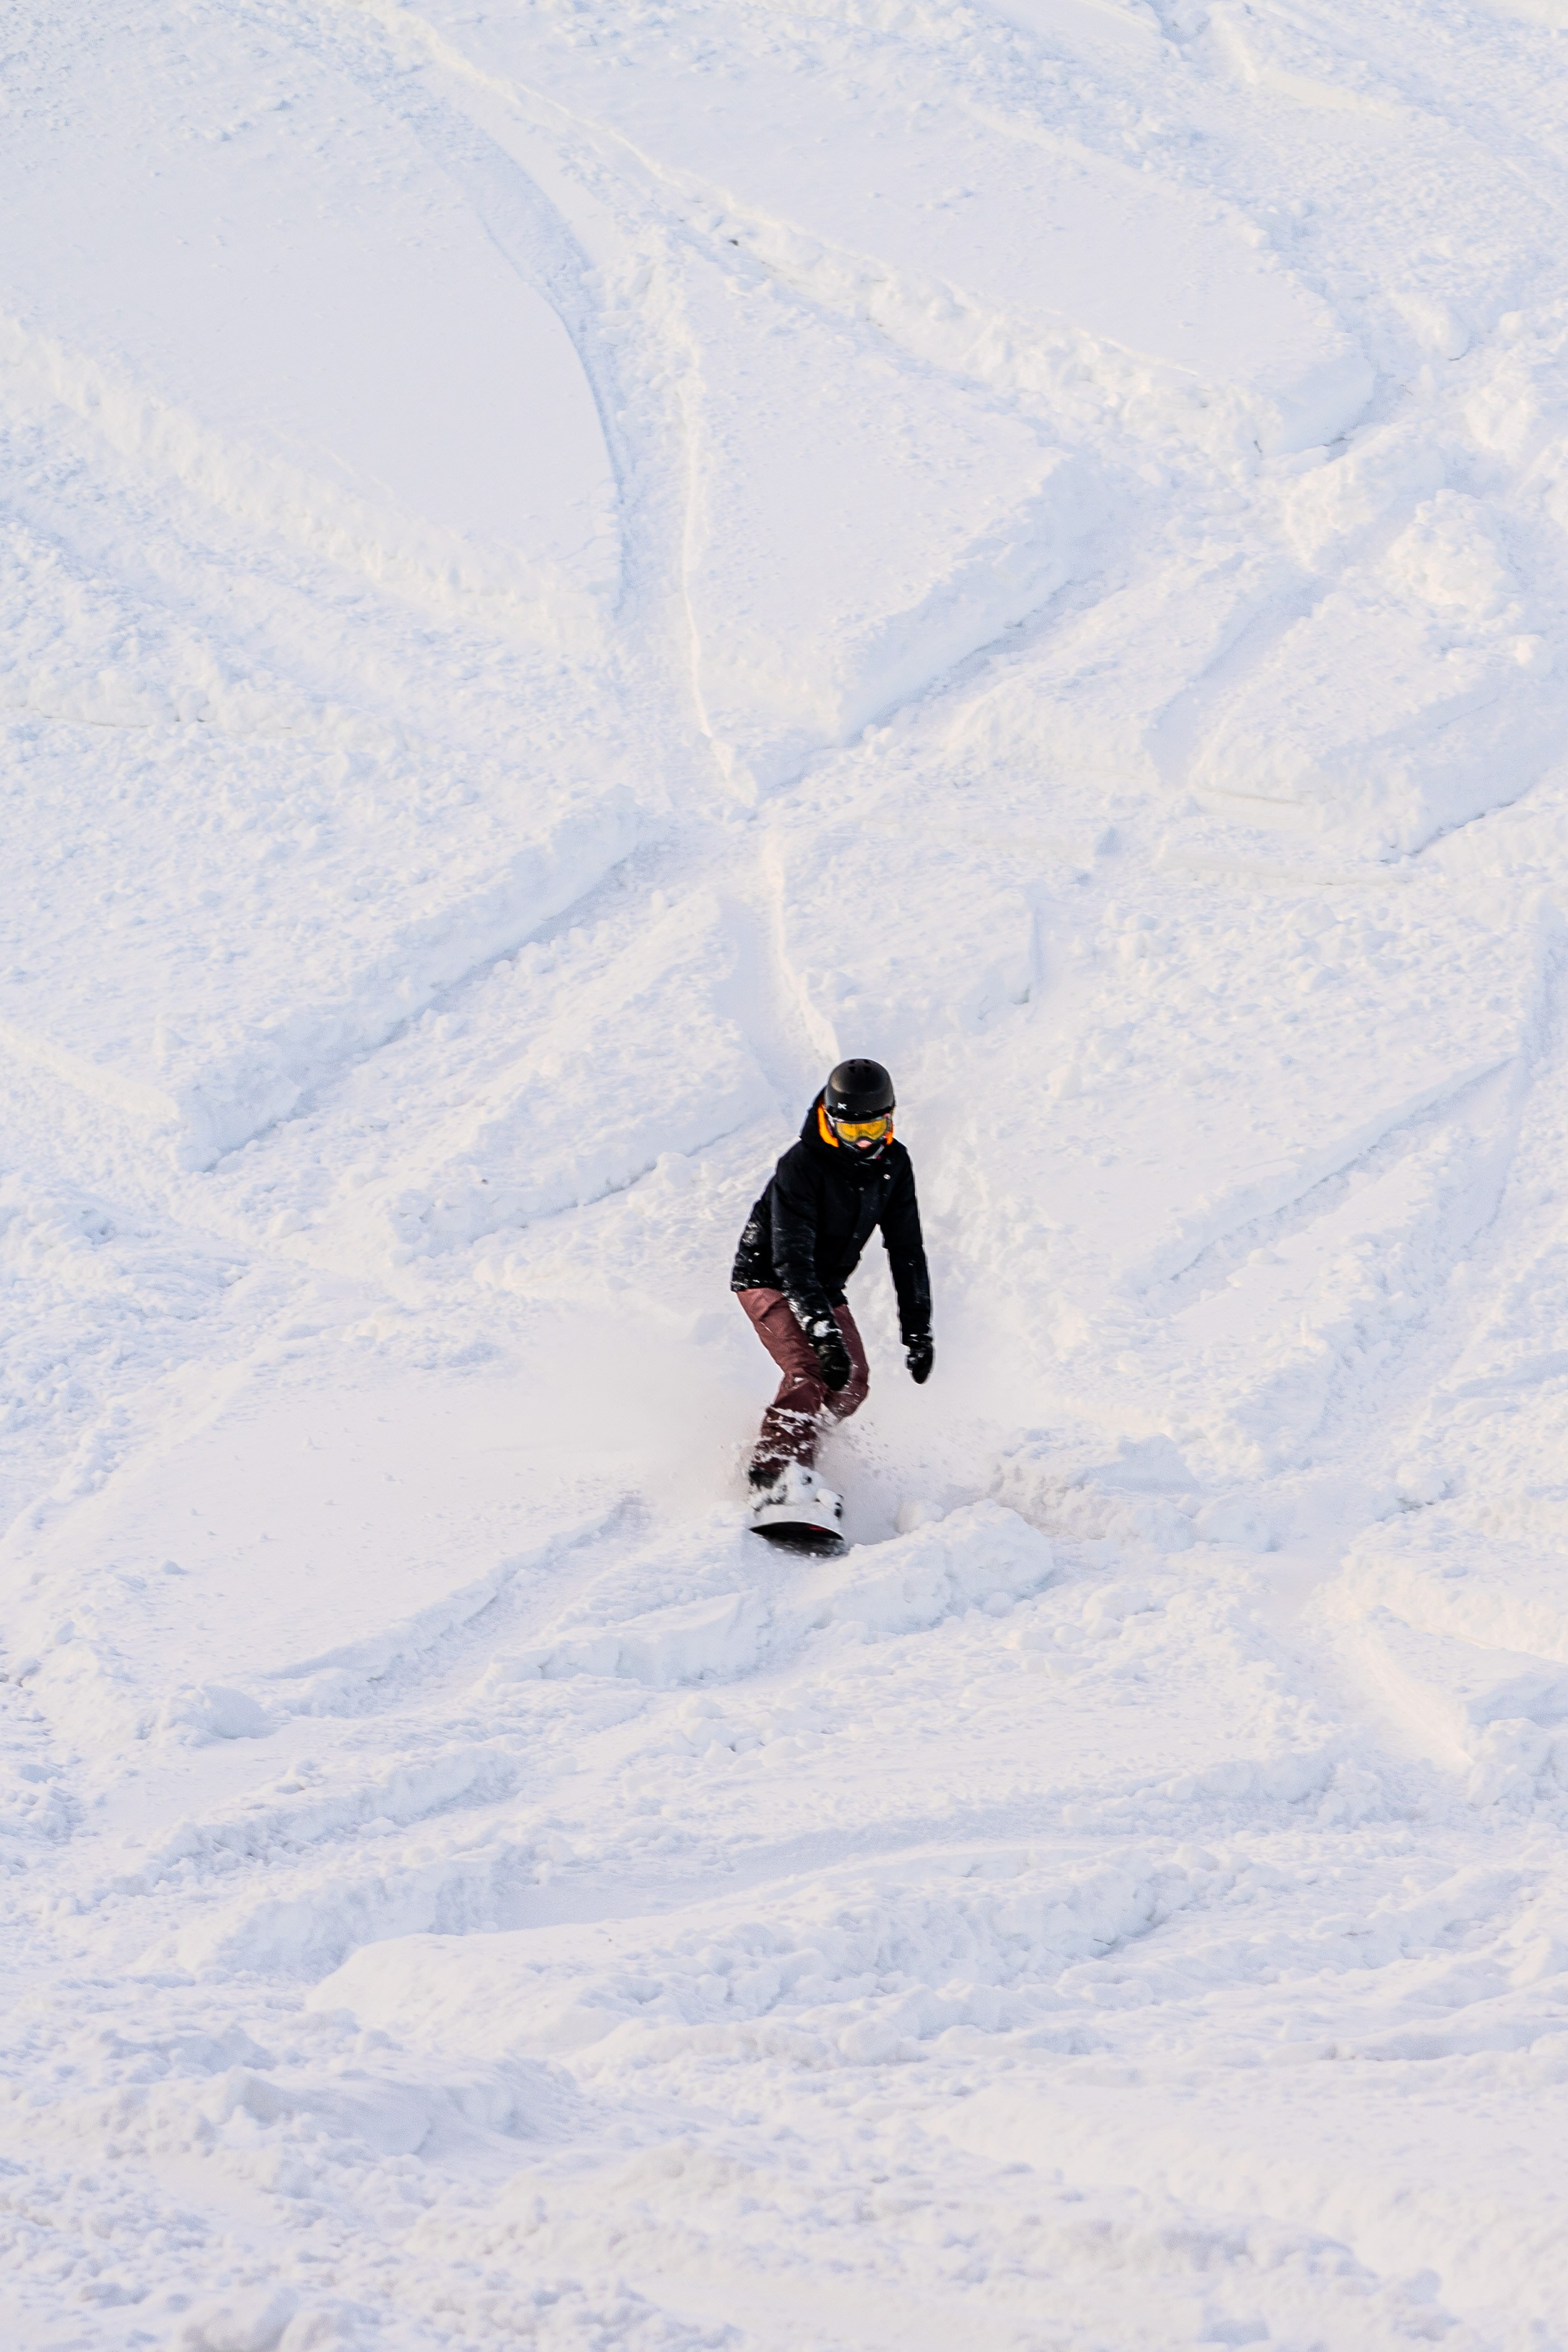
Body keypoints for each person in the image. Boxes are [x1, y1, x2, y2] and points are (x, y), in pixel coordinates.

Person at [731, 1057, 933, 1503]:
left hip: (821, 1284)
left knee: (852, 1383)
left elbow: (907, 1250)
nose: (862, 1142)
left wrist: (918, 1330)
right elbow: (791, 1260)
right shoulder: (802, 1166)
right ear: (829, 1120)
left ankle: (802, 1456)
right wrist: (824, 1338)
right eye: (851, 1130)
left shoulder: (894, 1164)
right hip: (768, 1275)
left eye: (873, 1129)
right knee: (810, 1371)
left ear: (890, 1120)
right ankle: (770, 1475)